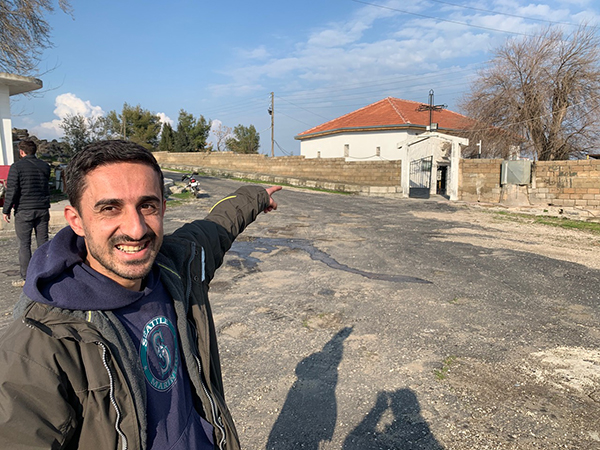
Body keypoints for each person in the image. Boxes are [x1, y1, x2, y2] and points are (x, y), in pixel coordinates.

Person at [0, 140, 281, 450]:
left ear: (162, 207)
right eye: (110, 208)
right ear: (76, 221)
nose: (135, 229)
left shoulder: (178, 265)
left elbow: (218, 225)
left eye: (147, 206)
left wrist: (255, 196)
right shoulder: (40, 340)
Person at [2, 139, 51, 287]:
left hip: (24, 210)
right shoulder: (45, 166)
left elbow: (12, 190)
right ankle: (46, 272)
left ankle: (27, 277)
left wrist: (6, 209)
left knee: (24, 244)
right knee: (43, 243)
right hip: (42, 209)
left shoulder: (16, 167)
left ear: (21, 152)